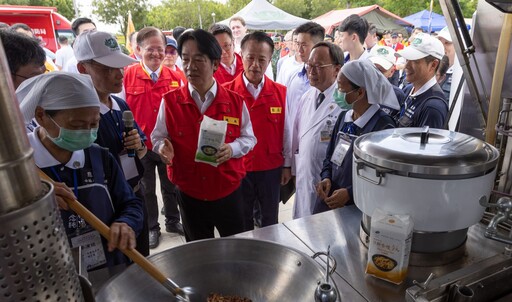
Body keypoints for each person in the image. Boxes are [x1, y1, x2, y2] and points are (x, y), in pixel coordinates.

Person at [17, 72, 143, 271]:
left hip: (109, 265)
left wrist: (126, 223)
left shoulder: (100, 157)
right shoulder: (21, 168)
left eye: (94, 124)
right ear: (41, 115)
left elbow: (130, 203)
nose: (87, 132)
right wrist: (33, 200)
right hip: (52, 273)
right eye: (76, 125)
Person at [152, 29, 257, 241]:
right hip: (190, 194)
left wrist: (232, 149)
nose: (190, 66)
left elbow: (249, 138)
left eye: (199, 59)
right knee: (199, 251)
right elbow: (156, 137)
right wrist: (162, 148)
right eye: (186, 59)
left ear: (215, 64)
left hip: (228, 191)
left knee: (237, 246)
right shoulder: (170, 101)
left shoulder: (235, 102)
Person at [74, 30, 150, 256]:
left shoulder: (120, 105)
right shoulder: (78, 117)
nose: (119, 74)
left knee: (143, 261)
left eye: (120, 67)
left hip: (135, 197)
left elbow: (142, 152)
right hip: (105, 208)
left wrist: (138, 146)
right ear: (82, 68)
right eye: (108, 68)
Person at [223, 31, 290, 231]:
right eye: (250, 58)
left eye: (262, 59)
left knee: (270, 219)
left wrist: (287, 165)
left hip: (270, 168)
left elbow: (286, 132)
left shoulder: (281, 92)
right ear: (241, 56)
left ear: (270, 60)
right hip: (238, 168)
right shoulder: (226, 92)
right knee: (241, 219)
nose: (255, 65)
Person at [124, 26, 184, 249]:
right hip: (141, 147)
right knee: (147, 188)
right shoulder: (127, 75)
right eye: (151, 49)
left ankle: (173, 221)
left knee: (171, 186)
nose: (157, 54)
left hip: (168, 145)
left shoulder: (176, 77)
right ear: (139, 49)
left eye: (161, 49)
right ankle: (152, 228)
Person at [315, 60, 397, 213]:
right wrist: (326, 177)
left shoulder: (383, 127)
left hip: (360, 206)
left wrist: (350, 193)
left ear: (360, 92)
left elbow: (383, 176)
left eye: (341, 88)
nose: (336, 93)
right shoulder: (343, 117)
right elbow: (330, 157)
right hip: (332, 199)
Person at [291, 42, 343, 219]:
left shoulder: (344, 103)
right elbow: (297, 137)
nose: (311, 71)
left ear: (336, 69)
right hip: (305, 175)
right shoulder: (306, 97)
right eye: (309, 65)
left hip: (329, 181)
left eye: (318, 66)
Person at [394, 33, 448, 128]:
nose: (406, 66)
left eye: (415, 61)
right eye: (407, 59)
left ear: (433, 65)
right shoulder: (409, 89)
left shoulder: (433, 107)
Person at [285, 22, 325, 132]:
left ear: (318, 46)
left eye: (304, 45)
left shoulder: (327, 82)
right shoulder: (293, 76)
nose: (299, 50)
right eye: (298, 44)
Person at [368, 45, 406, 116]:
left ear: (391, 72)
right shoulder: (355, 88)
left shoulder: (397, 96)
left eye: (380, 70)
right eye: (372, 67)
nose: (375, 73)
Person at [436, 26, 456, 100]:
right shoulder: (433, 68)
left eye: (447, 43)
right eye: (439, 42)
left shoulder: (462, 75)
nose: (442, 46)